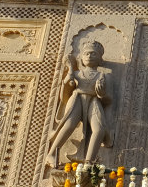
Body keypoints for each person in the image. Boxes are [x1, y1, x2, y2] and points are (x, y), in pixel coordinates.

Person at [44, 35, 114, 167]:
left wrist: (101, 94)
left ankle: (89, 162)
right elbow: (66, 91)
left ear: (100, 59)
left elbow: (109, 99)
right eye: (87, 54)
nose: (90, 56)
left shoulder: (104, 76)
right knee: (69, 125)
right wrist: (69, 78)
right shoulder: (77, 74)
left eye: (93, 54)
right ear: (81, 58)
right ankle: (51, 154)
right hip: (77, 99)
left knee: (99, 130)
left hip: (94, 101)